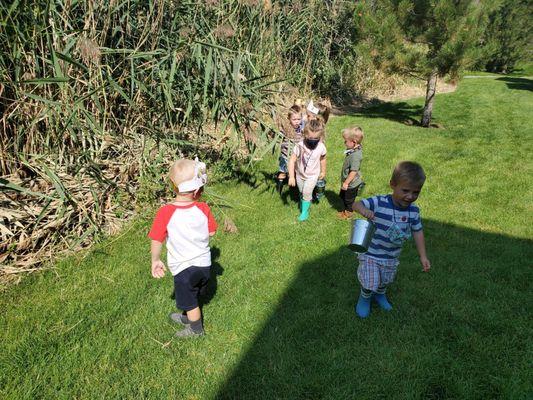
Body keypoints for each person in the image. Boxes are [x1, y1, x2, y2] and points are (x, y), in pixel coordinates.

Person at [148, 158, 217, 337]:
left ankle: (195, 330)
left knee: (190, 301)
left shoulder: (165, 212)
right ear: (196, 190)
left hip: (183, 266)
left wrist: (155, 260)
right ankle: (188, 318)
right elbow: (212, 233)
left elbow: (156, 239)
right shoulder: (203, 208)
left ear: (173, 186)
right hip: (204, 264)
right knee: (192, 295)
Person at [352, 161, 431, 318]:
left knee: (384, 280)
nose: (410, 196)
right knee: (369, 281)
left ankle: (380, 295)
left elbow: (418, 232)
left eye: (416, 192)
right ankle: (365, 298)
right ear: (392, 185)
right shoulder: (379, 202)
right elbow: (356, 204)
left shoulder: (413, 211)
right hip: (371, 253)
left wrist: (423, 256)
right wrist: (364, 210)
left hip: (391, 255)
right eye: (405, 190)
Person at [288, 119, 327, 221]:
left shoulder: (321, 147)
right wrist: (292, 176)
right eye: (310, 138)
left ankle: (304, 213)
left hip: (313, 175)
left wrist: (323, 171)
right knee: (301, 191)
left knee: (306, 192)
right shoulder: (300, 146)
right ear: (305, 134)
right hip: (300, 174)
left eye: (316, 138)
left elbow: (323, 159)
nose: (313, 140)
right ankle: (306, 201)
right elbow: (292, 160)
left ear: (320, 136)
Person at [276, 104, 305, 194]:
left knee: (296, 171)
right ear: (289, 119)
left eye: (298, 119)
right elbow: (278, 136)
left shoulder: (302, 129)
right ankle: (279, 189)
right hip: (285, 155)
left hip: (297, 155)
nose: (297, 122)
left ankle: (294, 188)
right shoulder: (286, 128)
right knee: (283, 172)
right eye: (294, 119)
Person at [338, 127, 364, 219]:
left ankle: (348, 213)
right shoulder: (354, 150)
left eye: (345, 141)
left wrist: (346, 183)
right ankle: (345, 209)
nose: (344, 143)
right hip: (348, 182)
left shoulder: (355, 156)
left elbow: (353, 171)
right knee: (342, 196)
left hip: (351, 184)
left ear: (354, 142)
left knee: (349, 200)